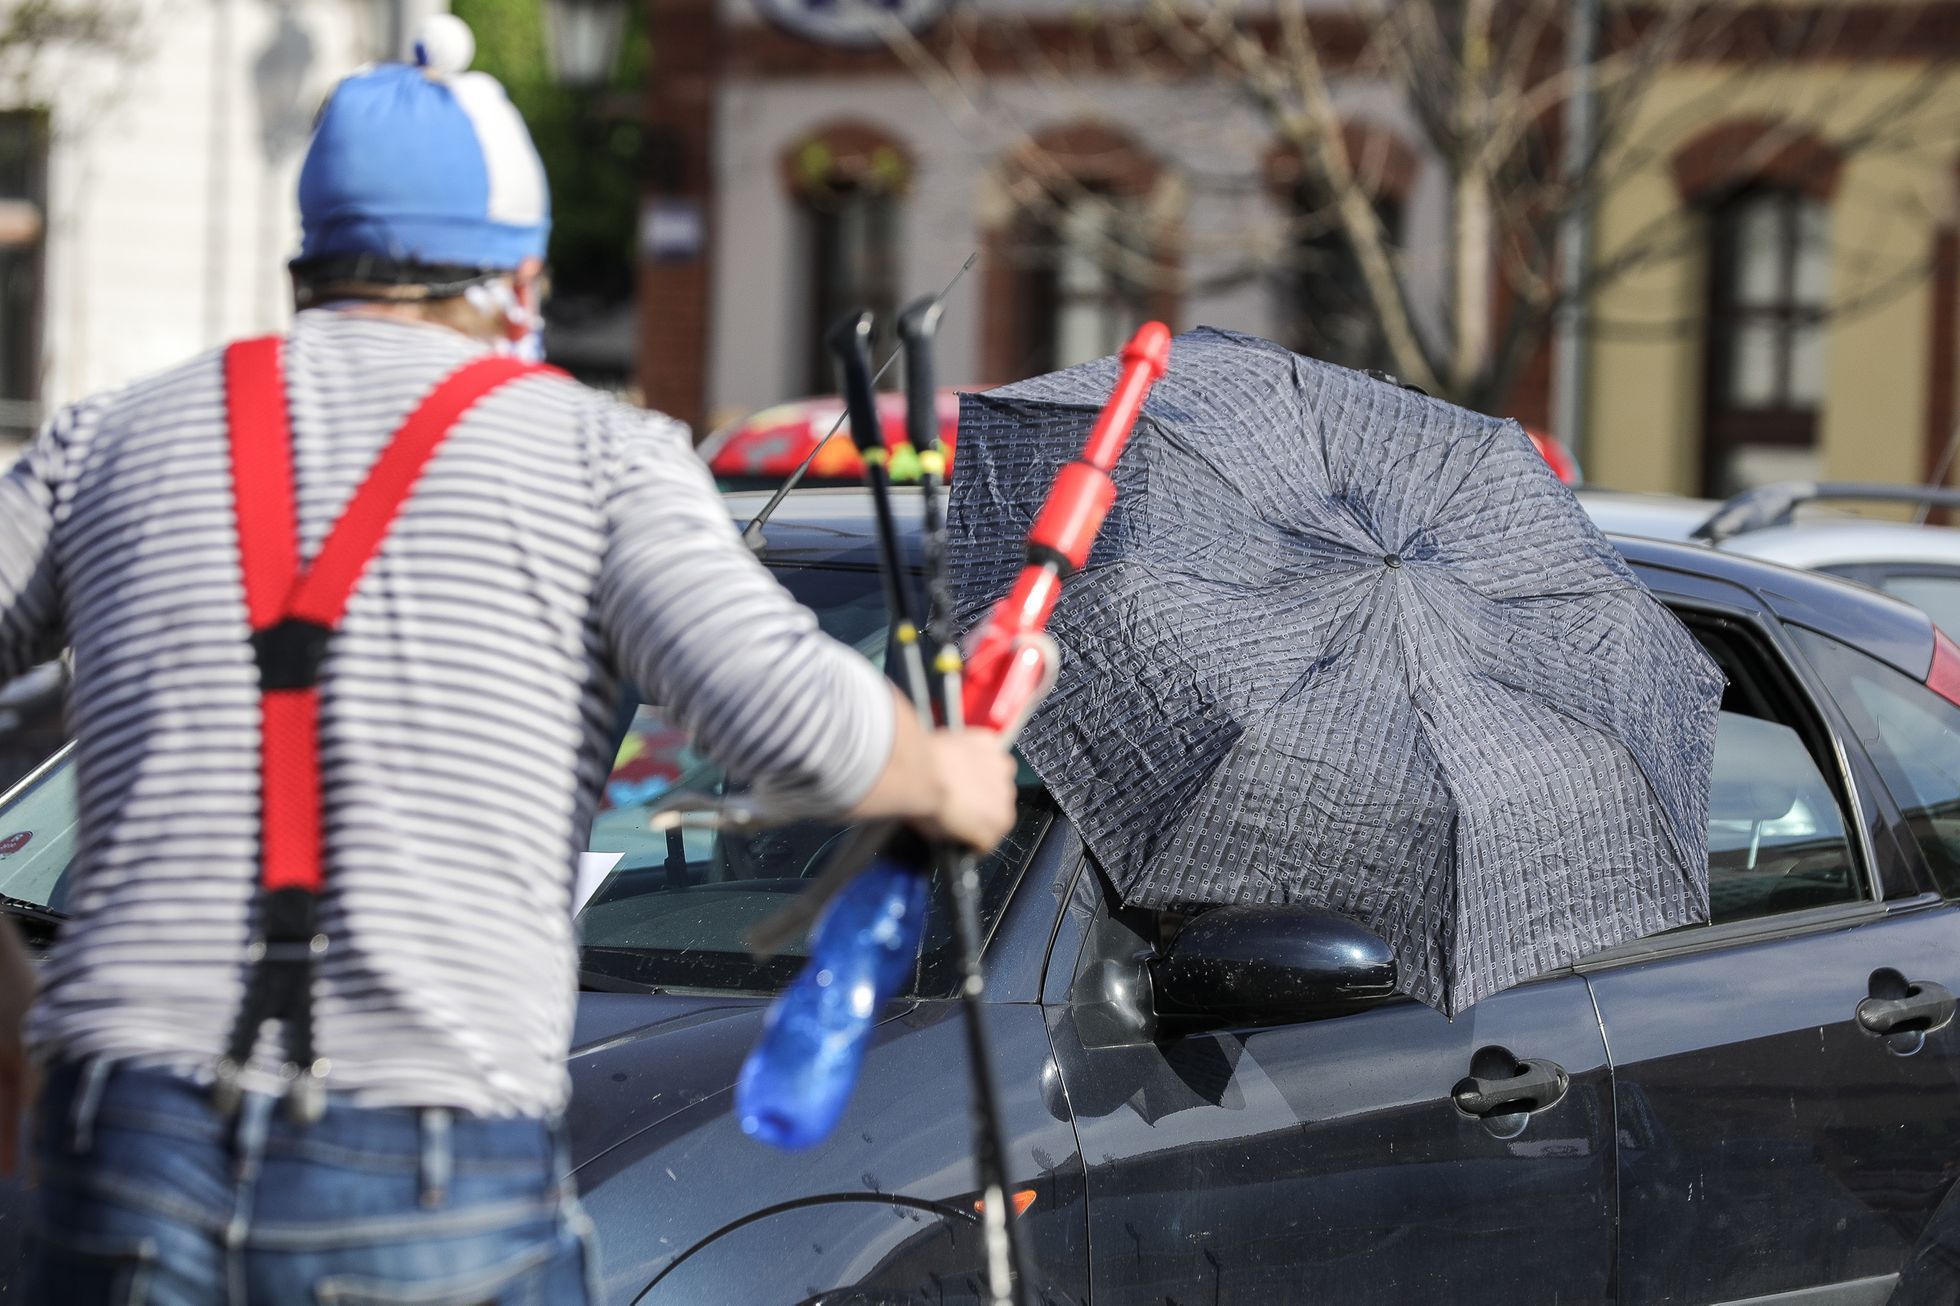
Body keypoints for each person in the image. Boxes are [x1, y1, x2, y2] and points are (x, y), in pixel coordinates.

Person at [0, 16, 1015, 1303]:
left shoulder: (118, 436)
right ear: (518, 280)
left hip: (116, 1135)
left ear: (312, 258)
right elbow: (789, 725)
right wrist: (950, 772)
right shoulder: (594, 457)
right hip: (419, 1152)